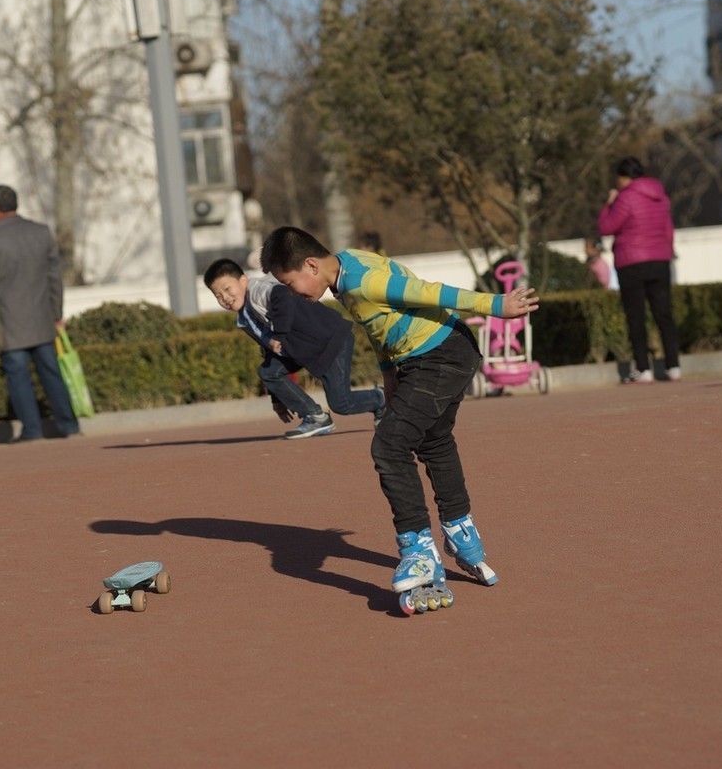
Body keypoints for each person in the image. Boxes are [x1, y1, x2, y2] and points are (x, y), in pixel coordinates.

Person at [260, 226, 539, 611]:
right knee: (434, 441)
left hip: (439, 356)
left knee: (389, 445)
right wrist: (389, 376)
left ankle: (418, 548)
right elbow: (378, 328)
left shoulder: (362, 281)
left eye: (290, 283)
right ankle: (462, 533)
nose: (292, 293)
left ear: (310, 264)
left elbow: (429, 291)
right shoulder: (346, 266)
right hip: (430, 356)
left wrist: (497, 306)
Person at [203, 258, 384, 439]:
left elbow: (281, 294)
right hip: (300, 348)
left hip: (329, 340)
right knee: (269, 370)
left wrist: (279, 335)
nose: (225, 298)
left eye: (227, 289)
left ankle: (381, 399)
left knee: (341, 404)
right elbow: (269, 351)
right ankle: (314, 416)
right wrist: (278, 400)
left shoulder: (257, 290)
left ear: (243, 280)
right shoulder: (244, 319)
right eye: (218, 295)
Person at [0, 185, 79, 442]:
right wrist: (56, 313)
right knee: (51, 373)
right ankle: (69, 425)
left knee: (18, 377)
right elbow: (55, 278)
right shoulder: (41, 232)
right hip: (41, 319)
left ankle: (32, 430)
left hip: (8, 323)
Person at [597, 156, 681, 383]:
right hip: (660, 260)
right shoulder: (661, 197)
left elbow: (606, 227)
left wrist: (608, 204)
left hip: (631, 262)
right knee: (664, 315)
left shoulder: (625, 198)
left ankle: (643, 369)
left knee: (636, 317)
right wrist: (668, 251)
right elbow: (668, 229)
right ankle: (673, 366)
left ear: (624, 177)